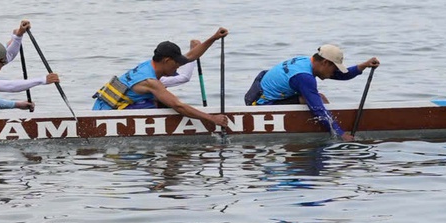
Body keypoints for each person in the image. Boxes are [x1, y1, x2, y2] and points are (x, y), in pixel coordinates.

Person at [90, 30, 231, 129]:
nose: (178, 68)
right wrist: (212, 119)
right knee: (169, 102)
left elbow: (190, 57)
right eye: (176, 64)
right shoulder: (150, 81)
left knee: (164, 100)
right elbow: (178, 106)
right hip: (105, 116)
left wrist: (214, 37)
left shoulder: (152, 64)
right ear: (167, 61)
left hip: (105, 108)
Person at [244, 43, 380, 141]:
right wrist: (340, 134)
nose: (334, 72)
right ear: (325, 63)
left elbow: (341, 75)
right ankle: (326, 131)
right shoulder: (304, 77)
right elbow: (318, 109)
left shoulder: (308, 61)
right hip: (260, 104)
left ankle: (331, 125)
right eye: (334, 68)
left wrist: (364, 65)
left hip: (262, 93)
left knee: (318, 98)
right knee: (318, 101)